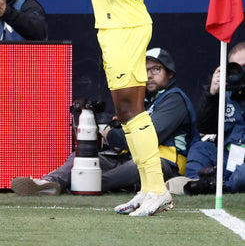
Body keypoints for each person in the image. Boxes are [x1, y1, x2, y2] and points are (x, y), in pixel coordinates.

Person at [80, 0, 171, 216]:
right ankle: (149, 190)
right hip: (116, 28)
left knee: (132, 111)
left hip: (125, 29)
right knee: (125, 112)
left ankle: (157, 190)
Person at [11, 48, 199, 196]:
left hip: (164, 163)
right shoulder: (145, 100)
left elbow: (147, 137)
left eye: (156, 69)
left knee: (129, 169)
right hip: (128, 157)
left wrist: (111, 135)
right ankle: (49, 182)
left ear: (170, 73)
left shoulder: (174, 99)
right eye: (145, 70)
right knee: (85, 158)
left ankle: (86, 185)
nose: (149, 75)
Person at [180, 42, 245, 194]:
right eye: (237, 68)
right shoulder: (223, 95)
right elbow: (204, 127)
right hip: (227, 157)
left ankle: (216, 185)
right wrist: (212, 95)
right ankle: (199, 183)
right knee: (200, 147)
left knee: (241, 177)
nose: (241, 73)